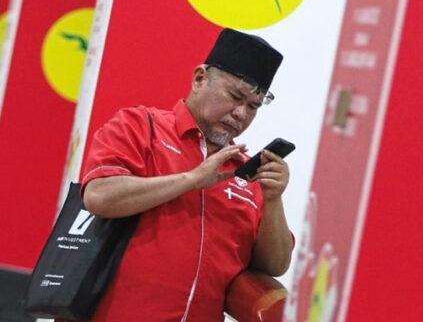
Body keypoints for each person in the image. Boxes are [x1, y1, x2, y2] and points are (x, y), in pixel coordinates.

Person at [69, 29, 294, 322]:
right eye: (235, 96)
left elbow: (275, 266)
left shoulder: (245, 173)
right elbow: (98, 196)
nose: (241, 113)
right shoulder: (141, 127)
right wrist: (192, 179)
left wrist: (274, 199)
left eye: (253, 106)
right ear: (199, 79)